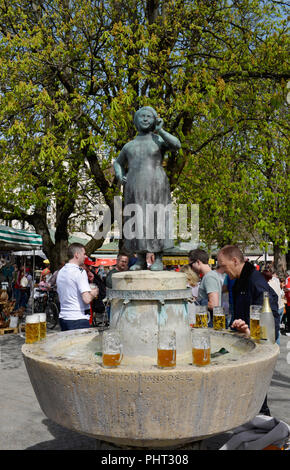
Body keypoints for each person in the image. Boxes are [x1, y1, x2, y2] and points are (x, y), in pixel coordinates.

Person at [113, 106, 181, 271]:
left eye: (148, 116)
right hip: (134, 186)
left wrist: (162, 131)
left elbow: (176, 145)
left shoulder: (158, 140)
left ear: (154, 120)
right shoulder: (129, 145)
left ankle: (158, 258)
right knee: (137, 221)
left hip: (156, 185)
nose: (145, 119)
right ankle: (140, 259)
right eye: (141, 116)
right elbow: (118, 162)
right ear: (136, 121)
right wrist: (119, 174)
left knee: (156, 219)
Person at [217, 245, 280, 416]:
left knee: (257, 400)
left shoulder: (255, 281)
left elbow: (271, 319)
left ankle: (268, 434)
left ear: (235, 261)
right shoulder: (241, 280)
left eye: (222, 265)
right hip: (247, 345)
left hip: (257, 348)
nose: (221, 270)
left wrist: (252, 333)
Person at [56, 243, 99, 331]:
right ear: (76, 255)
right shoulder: (80, 272)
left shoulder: (61, 271)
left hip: (64, 318)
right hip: (78, 319)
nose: (86, 256)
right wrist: (94, 293)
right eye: (84, 254)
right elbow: (86, 299)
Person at [188, 249, 221, 326]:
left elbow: (214, 305)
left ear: (198, 262)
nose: (191, 268)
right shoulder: (209, 275)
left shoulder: (209, 277)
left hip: (209, 320)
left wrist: (197, 303)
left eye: (191, 264)